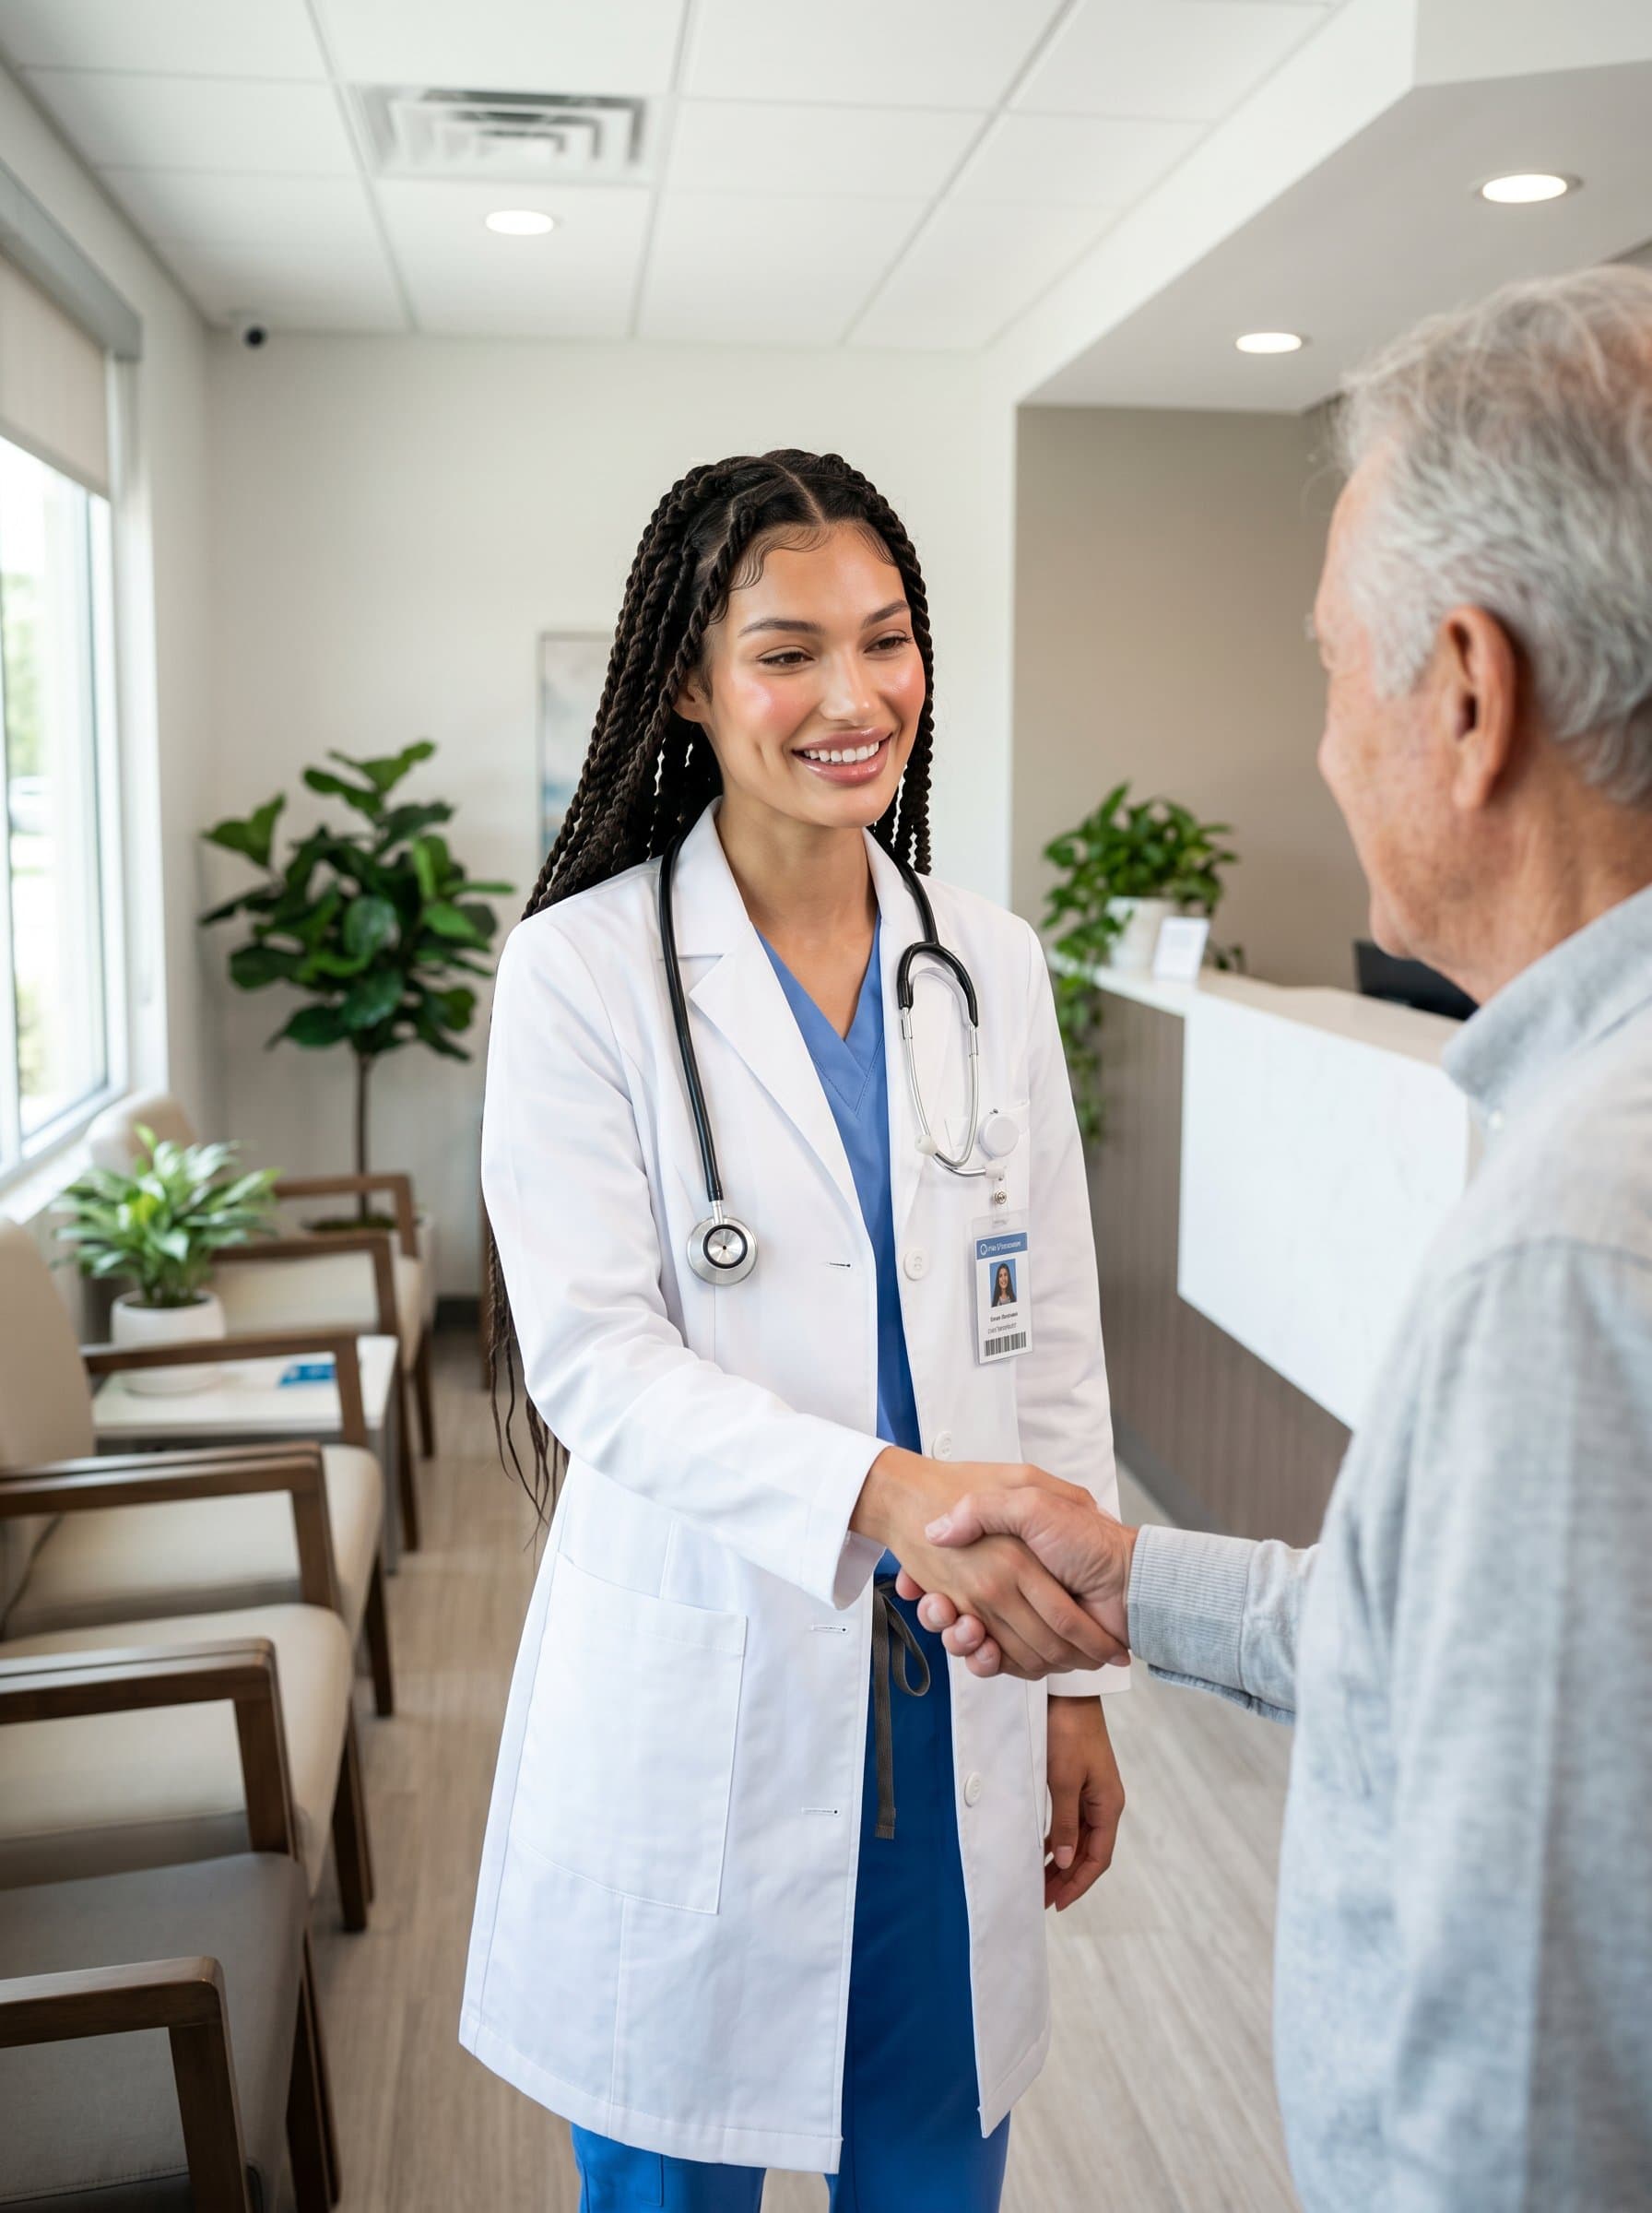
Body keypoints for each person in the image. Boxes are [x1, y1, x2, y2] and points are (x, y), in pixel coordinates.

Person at [900, 266, 1652, 2210]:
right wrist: (1132, 1579)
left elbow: (1528, 2055)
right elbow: (1439, 1652)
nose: (1321, 744)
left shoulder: (1570, 1253)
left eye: (1331, 670)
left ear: (1467, 695)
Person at [463, 450, 1130, 2210]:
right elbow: (596, 1362)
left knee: (930, 2166)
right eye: (788, 652)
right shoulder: (582, 976)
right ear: (687, 681)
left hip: (958, 1697)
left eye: (888, 640)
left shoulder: (988, 966)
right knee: (679, 2175)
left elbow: (1050, 1336)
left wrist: (1069, 1680)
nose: (855, 698)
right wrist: (891, 1492)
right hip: (714, 1686)